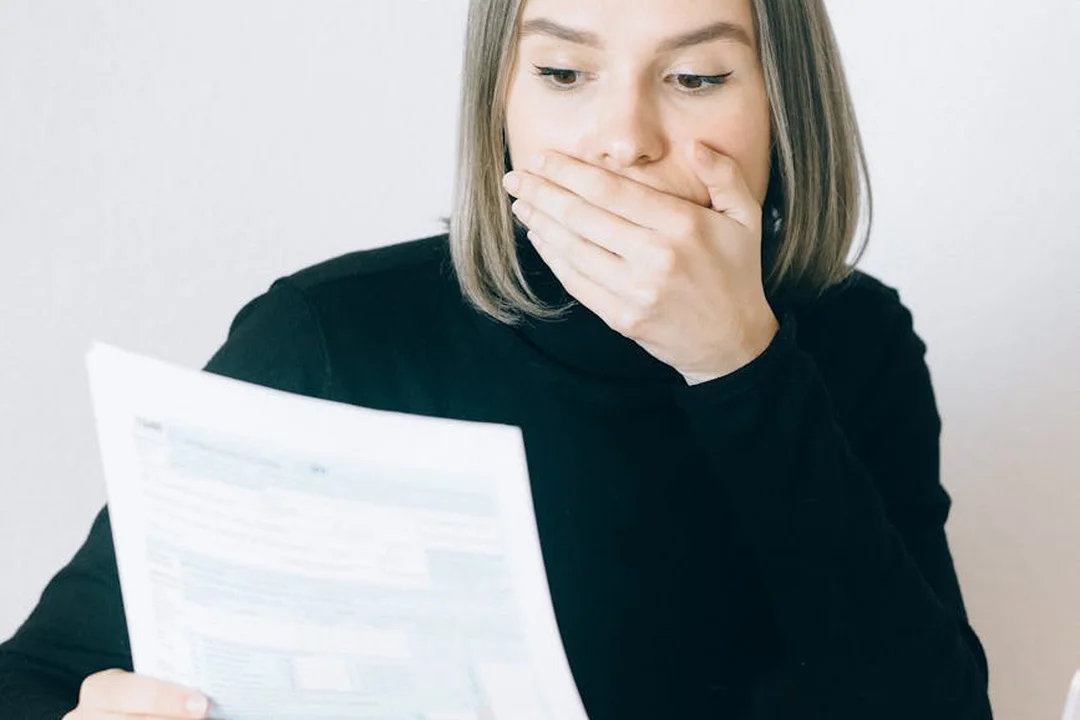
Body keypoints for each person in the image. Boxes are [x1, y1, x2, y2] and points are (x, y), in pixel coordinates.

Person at [0, 0, 994, 718]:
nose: (623, 140)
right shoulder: (330, 338)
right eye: (563, 75)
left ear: (782, 104)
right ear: (501, 103)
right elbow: (36, 682)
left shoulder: (848, 340)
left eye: (697, 78)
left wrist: (739, 364)